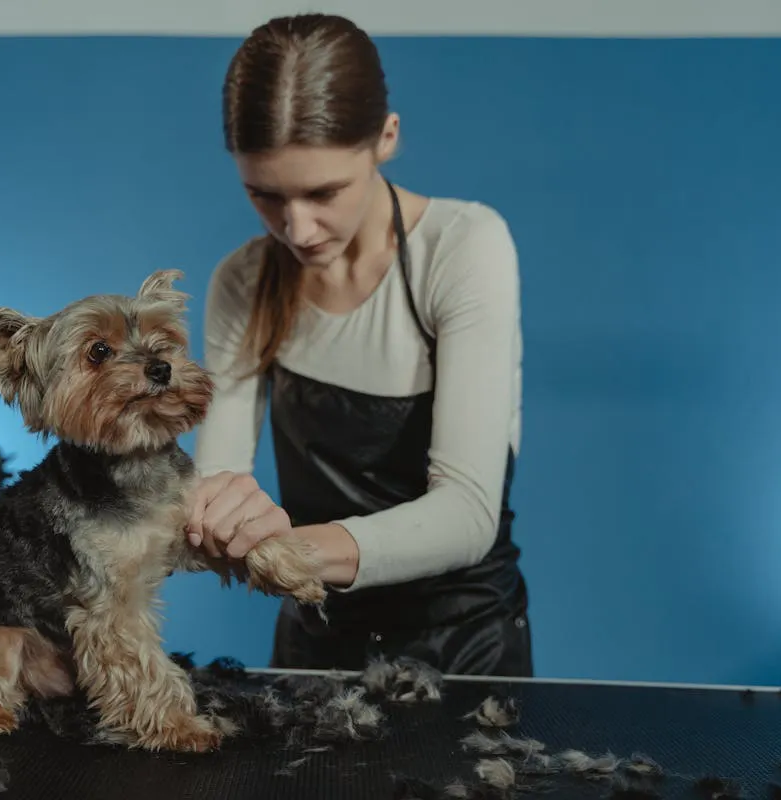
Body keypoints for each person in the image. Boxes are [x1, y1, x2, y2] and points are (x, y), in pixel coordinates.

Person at [185, 12, 532, 677]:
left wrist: (283, 550)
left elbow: (466, 512)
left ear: (386, 138)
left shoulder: (463, 247)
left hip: (464, 649)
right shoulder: (242, 279)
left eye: (324, 192)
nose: (298, 229)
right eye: (265, 196)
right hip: (315, 645)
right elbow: (215, 487)